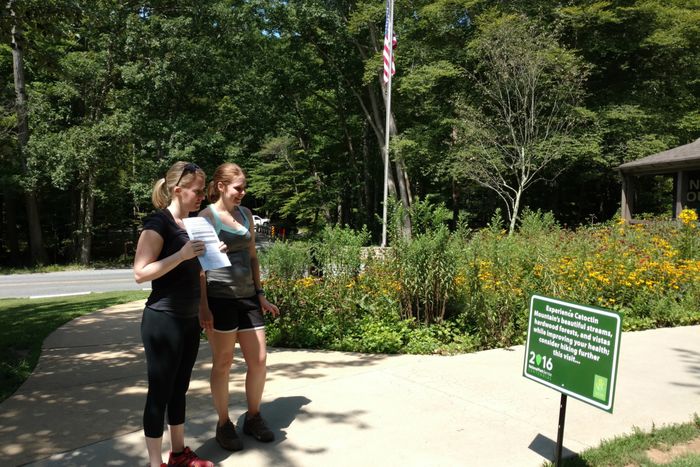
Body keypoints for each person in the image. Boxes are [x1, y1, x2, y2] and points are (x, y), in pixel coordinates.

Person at [133, 161, 214, 467]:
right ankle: (156, 464)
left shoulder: (193, 224)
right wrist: (181, 255)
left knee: (179, 388)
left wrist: (212, 252)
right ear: (178, 190)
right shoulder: (159, 223)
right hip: (162, 319)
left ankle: (179, 454)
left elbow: (198, 271)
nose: (201, 197)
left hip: (189, 318)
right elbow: (140, 273)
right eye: (197, 191)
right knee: (160, 392)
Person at [198, 162, 280, 452]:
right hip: (219, 299)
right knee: (222, 363)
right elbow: (199, 266)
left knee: (258, 360)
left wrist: (260, 294)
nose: (243, 193)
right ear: (221, 186)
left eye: (244, 188)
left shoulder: (245, 215)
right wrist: (203, 306)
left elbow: (252, 256)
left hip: (247, 297)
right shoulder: (206, 217)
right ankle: (223, 424)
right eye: (238, 188)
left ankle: (253, 417)